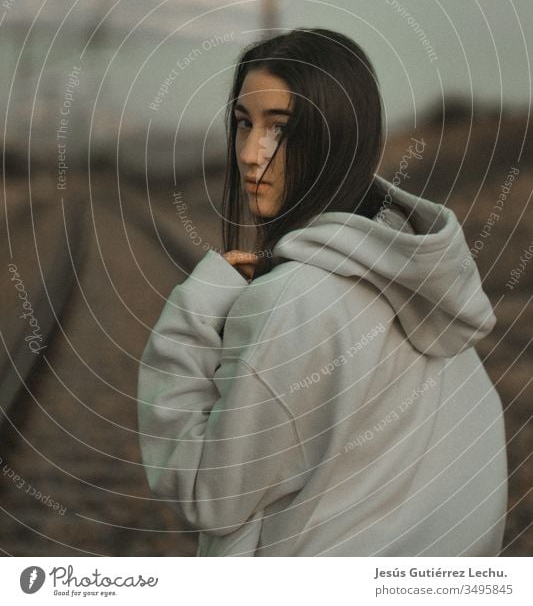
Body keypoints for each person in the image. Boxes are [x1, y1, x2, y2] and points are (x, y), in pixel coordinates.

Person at [137, 27, 508, 556]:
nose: (250, 152)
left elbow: (210, 496)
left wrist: (191, 315)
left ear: (336, 136)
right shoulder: (425, 289)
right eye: (244, 125)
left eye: (280, 128)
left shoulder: (296, 301)